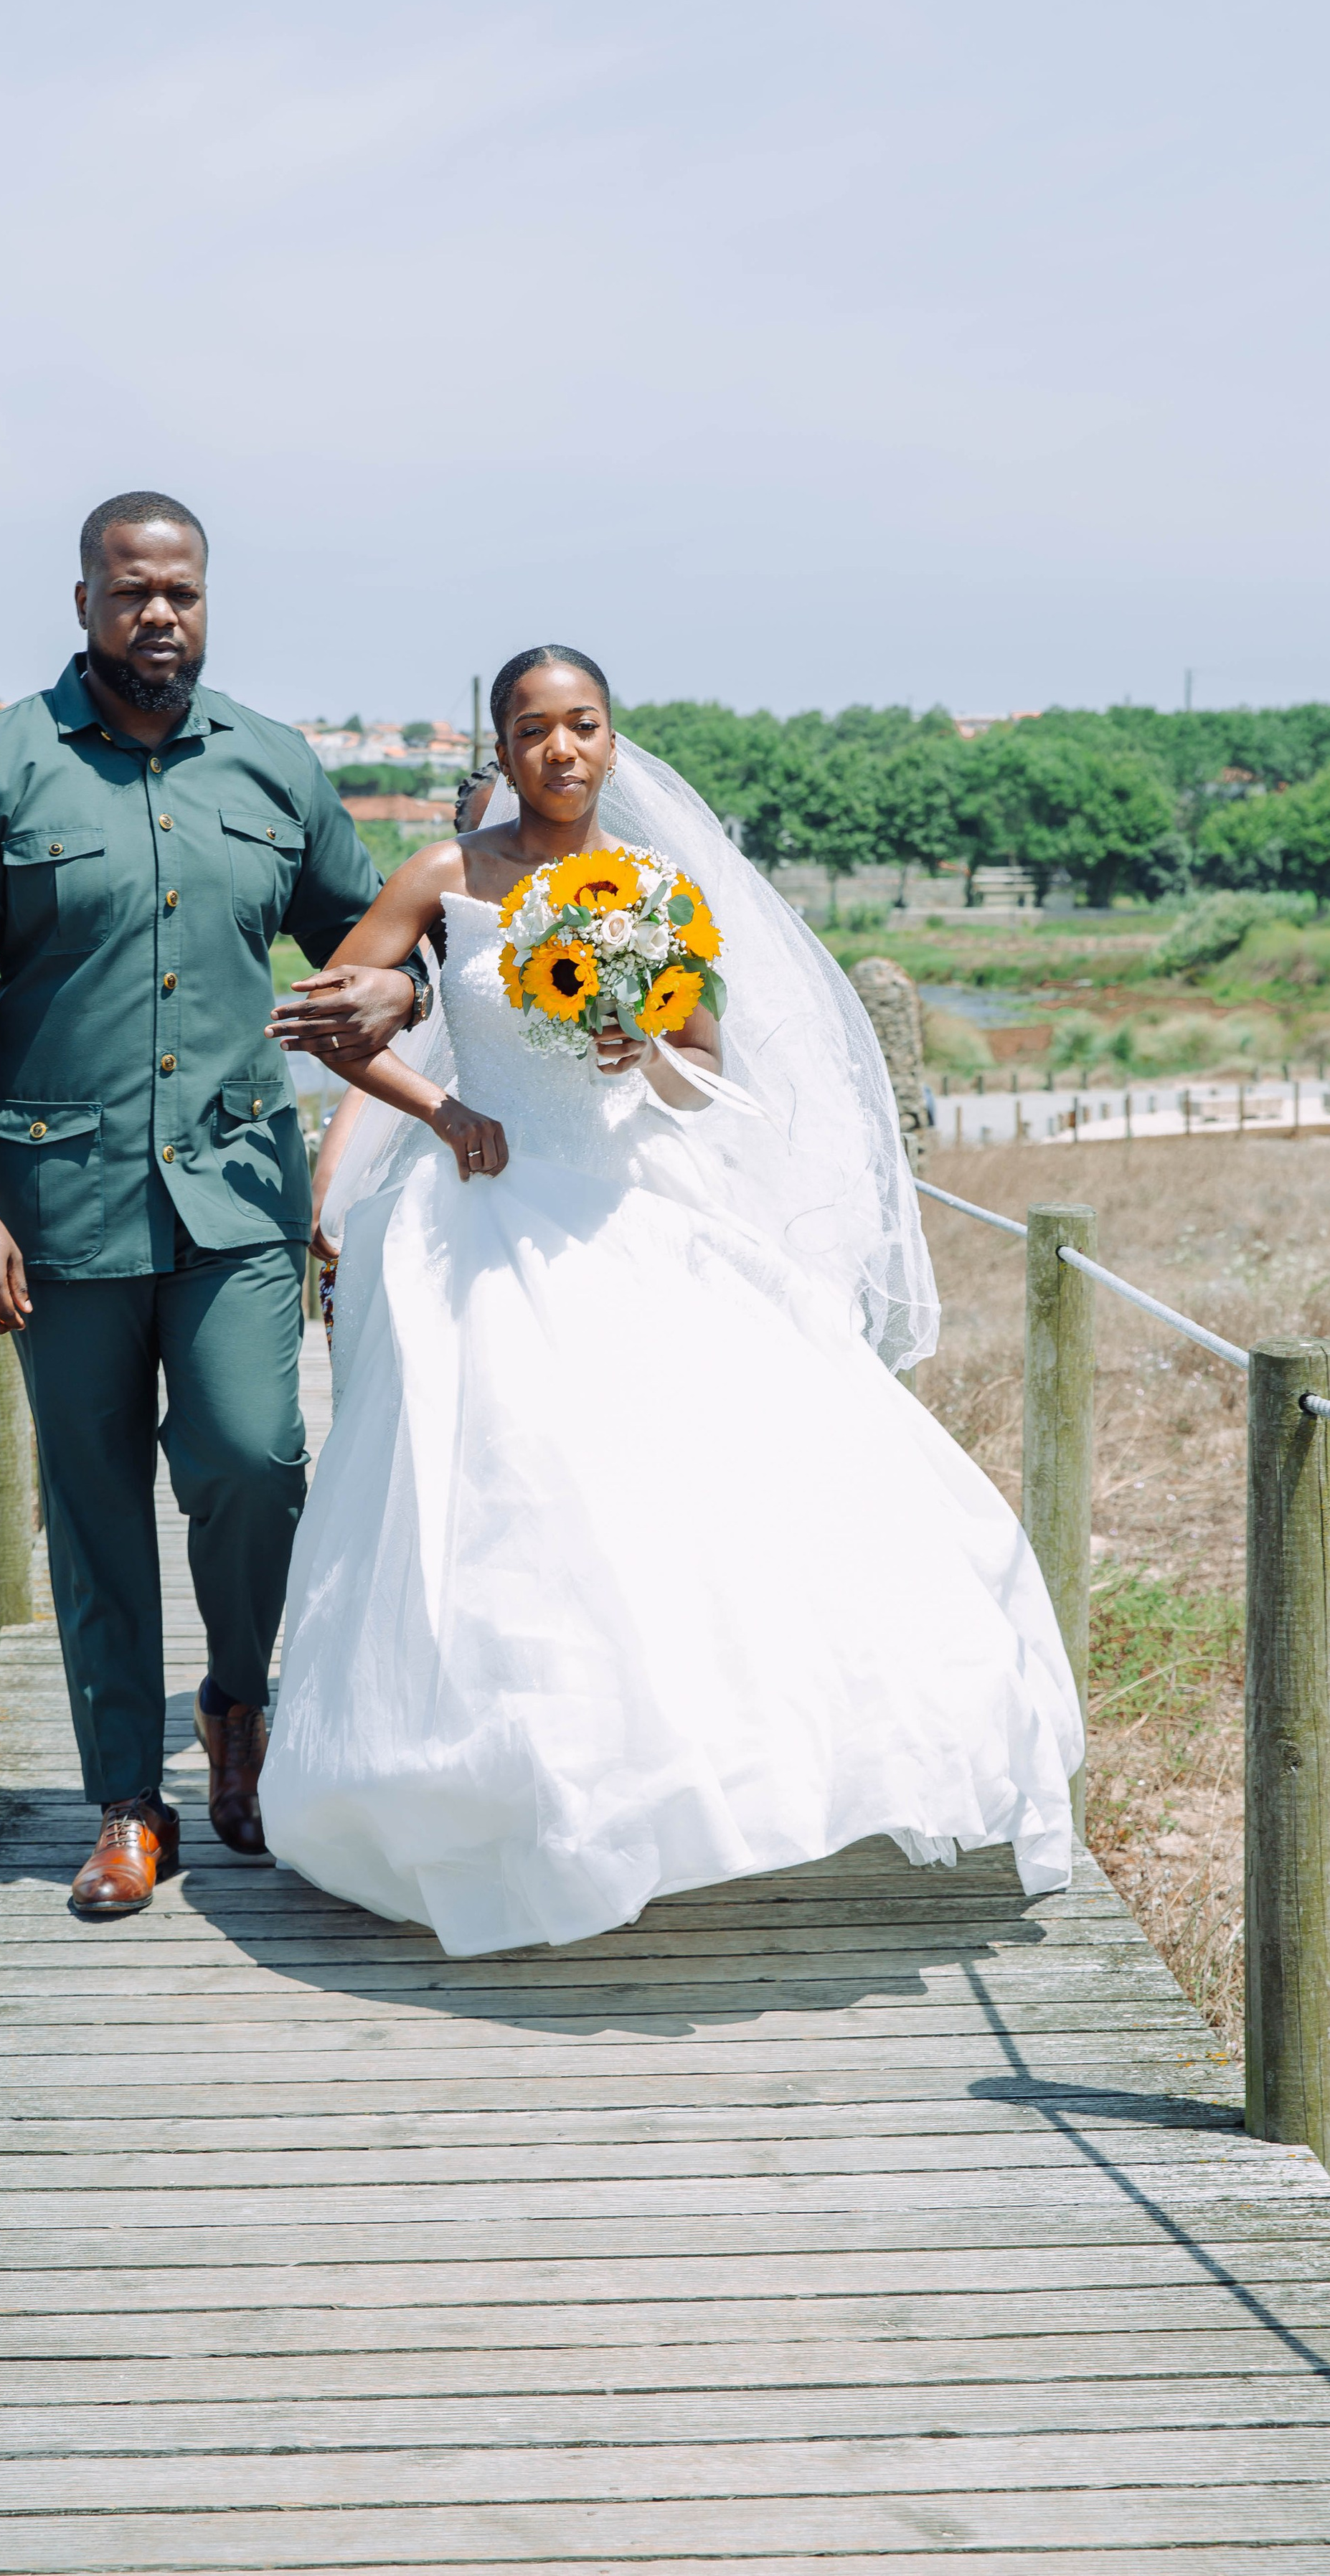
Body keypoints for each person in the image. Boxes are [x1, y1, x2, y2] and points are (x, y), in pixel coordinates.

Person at [259, 645, 1083, 1957]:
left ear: (612, 739)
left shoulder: (655, 894)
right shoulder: (442, 878)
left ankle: (670, 1792)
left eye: (584, 726)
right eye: (534, 731)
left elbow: (705, 1075)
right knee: (504, 1496)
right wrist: (442, 1107)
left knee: (675, 1488)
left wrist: (642, 1045)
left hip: (632, 1203)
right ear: (501, 747)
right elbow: (322, 1022)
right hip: (483, 1221)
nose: (563, 752)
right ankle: (509, 1801)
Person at [0, 490, 430, 1916]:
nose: (157, 617)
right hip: (52, 1215)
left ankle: (239, 1720)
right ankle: (127, 1801)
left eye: (179, 593)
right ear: (82, 605)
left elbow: (366, 948)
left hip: (238, 1199)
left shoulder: (270, 768)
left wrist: (404, 986)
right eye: (129, 592)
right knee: (94, 1508)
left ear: (206, 602)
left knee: (253, 1463)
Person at [309, 767, 497, 1343]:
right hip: (432, 1121)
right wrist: (331, 1177)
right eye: (483, 824)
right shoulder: (430, 911)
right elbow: (380, 1041)